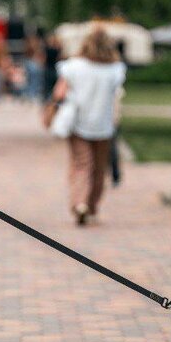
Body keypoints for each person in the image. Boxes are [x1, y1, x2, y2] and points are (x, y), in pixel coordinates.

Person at [51, 27, 126, 226]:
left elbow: (59, 93)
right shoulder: (115, 70)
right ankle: (92, 206)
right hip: (103, 124)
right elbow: (116, 96)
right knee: (99, 169)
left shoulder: (73, 66)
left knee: (81, 165)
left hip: (78, 122)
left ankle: (79, 202)